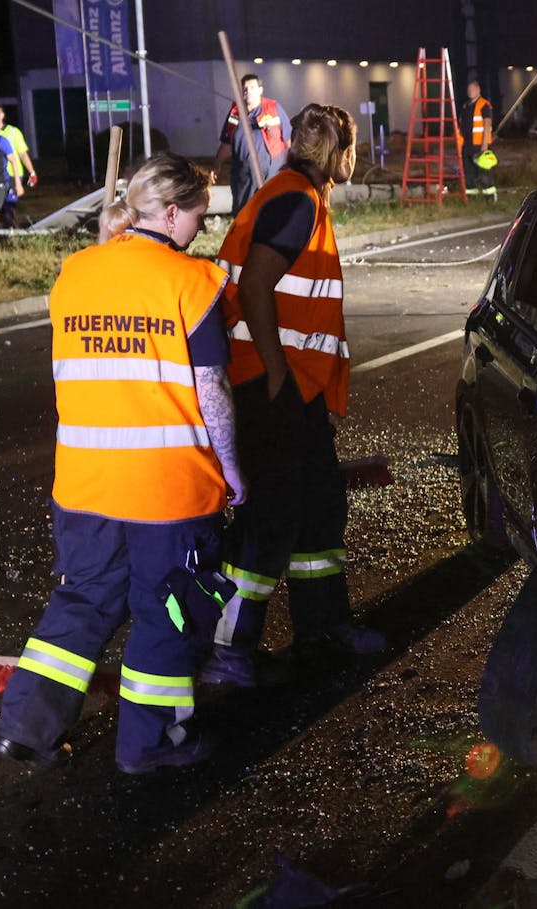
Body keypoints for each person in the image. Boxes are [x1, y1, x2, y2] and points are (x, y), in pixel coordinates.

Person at [0, 152, 243, 774]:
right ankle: (148, 745)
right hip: (166, 489)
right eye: (197, 216)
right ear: (169, 211)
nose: (201, 230)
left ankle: (25, 727)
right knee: (167, 609)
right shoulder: (196, 282)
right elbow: (212, 392)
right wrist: (233, 471)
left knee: (82, 600)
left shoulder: (74, 273)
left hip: (83, 484)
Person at [204, 102, 383, 688]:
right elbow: (254, 283)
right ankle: (230, 651)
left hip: (290, 387)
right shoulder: (297, 201)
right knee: (270, 519)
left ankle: (321, 627)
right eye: (353, 150)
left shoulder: (297, 195)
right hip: (272, 385)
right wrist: (278, 373)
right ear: (340, 152)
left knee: (319, 507)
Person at [212, 73, 289, 214]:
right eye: (245, 89)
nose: (248, 92)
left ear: (260, 90)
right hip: (244, 173)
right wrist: (217, 166)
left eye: (252, 88)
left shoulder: (274, 108)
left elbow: (288, 139)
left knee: (273, 210)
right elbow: (226, 143)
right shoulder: (235, 113)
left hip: (272, 170)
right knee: (244, 211)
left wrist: (294, 165)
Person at [0, 105, 38, 193]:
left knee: (6, 203)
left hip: (13, 175)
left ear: (2, 116)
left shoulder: (13, 132)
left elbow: (23, 154)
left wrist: (32, 172)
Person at [460, 80, 496, 195]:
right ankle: (472, 197)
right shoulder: (466, 106)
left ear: (478, 90)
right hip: (467, 145)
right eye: (469, 90)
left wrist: (484, 145)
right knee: (468, 172)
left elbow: (487, 125)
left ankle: (490, 197)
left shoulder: (484, 105)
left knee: (484, 172)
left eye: (473, 89)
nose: (470, 91)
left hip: (479, 145)